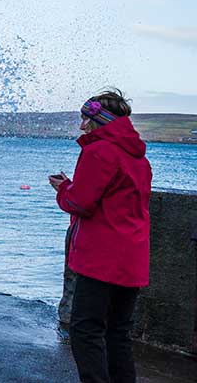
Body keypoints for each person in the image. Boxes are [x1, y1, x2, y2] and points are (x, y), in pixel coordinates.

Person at [49, 89, 151, 383]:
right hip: (132, 256)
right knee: (118, 332)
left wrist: (63, 189)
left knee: (85, 329)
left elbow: (81, 203)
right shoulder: (139, 158)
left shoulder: (99, 151)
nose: (82, 126)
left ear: (99, 120)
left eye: (86, 119)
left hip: (102, 257)